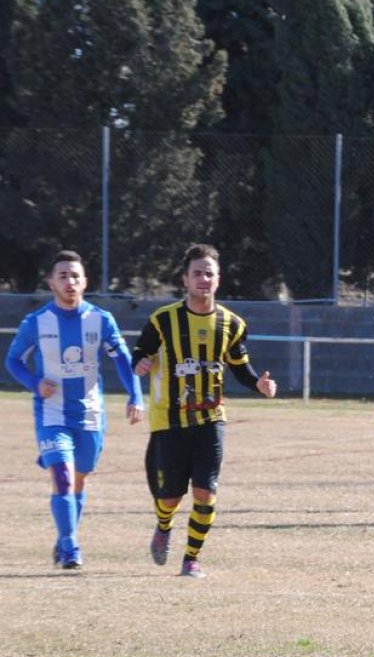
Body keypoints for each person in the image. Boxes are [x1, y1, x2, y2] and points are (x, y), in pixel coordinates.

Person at [131, 244, 277, 579]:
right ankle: (163, 527)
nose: (203, 279)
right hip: (169, 420)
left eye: (209, 273)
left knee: (206, 491)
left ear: (218, 279)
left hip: (211, 420)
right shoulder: (162, 320)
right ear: (185, 278)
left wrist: (259, 385)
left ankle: (191, 559)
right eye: (197, 272)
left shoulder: (232, 324)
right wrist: (139, 362)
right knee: (169, 498)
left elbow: (240, 367)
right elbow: (139, 352)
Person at [5, 250, 144, 570]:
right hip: (51, 414)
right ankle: (70, 546)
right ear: (51, 282)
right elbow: (13, 361)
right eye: (63, 276)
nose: (70, 281)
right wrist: (34, 382)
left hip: (90, 413)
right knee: (63, 477)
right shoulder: (36, 323)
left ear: (85, 282)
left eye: (75, 276)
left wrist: (135, 395)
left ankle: (65, 533)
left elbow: (123, 360)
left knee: (79, 480)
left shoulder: (101, 320)